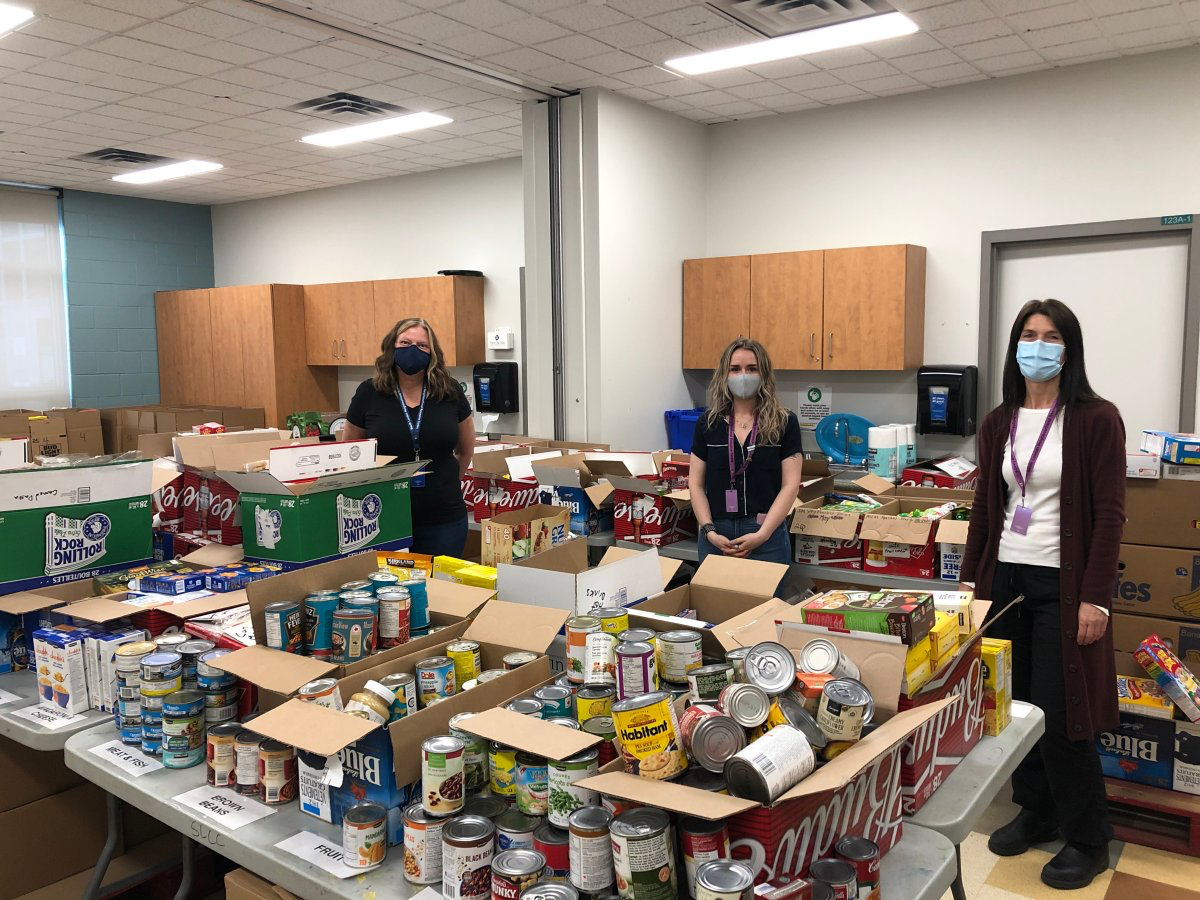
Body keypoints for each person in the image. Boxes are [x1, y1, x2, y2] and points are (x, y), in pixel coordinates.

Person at [960, 298, 1124, 890]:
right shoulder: (998, 420)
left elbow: (1109, 515)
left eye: (1051, 336)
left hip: (1065, 585)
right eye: (1029, 335)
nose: (1038, 345)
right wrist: (971, 587)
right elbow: (985, 508)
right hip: (1006, 580)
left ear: (1069, 347)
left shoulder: (1096, 418)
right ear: (1015, 346)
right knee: (1014, 709)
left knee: (1062, 715)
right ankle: (1037, 809)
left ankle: (1088, 836)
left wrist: (1096, 599)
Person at [344, 317, 475, 557]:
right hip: (381, 517)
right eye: (405, 342)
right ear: (391, 346)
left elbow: (465, 449)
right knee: (391, 590)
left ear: (432, 352)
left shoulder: (449, 391)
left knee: (442, 591)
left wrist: (447, 483)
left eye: (422, 345)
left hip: (443, 516)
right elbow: (351, 451)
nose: (413, 350)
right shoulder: (369, 392)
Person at [689, 338, 803, 565]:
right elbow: (696, 483)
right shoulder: (708, 423)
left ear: (764, 374)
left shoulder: (784, 422)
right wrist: (709, 530)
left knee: (768, 602)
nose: (743, 375)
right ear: (724, 374)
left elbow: (790, 485)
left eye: (752, 369)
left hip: (765, 532)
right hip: (716, 533)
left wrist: (762, 534)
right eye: (735, 369)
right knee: (714, 601)